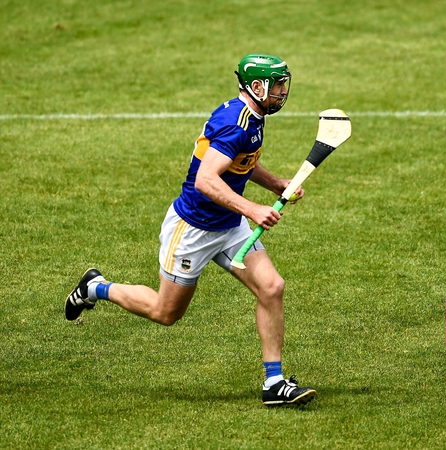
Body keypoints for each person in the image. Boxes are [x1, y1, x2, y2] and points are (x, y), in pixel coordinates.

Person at [65, 54, 316, 406]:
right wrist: (252, 208)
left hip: (228, 226)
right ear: (256, 87)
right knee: (165, 313)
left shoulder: (252, 117)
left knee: (272, 287)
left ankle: (273, 382)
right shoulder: (235, 122)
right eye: (276, 85)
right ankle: (95, 287)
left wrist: (275, 184)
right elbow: (206, 180)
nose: (281, 92)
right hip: (193, 230)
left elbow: (242, 162)